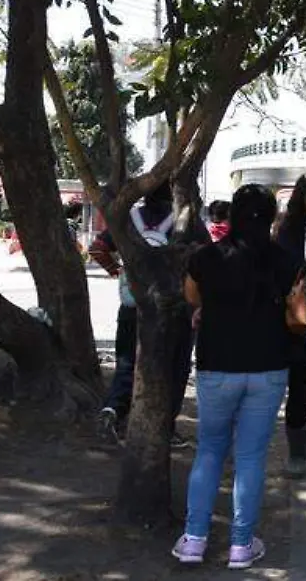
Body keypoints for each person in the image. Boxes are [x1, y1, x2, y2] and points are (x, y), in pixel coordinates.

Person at [171, 184, 298, 569]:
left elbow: (192, 297)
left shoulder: (206, 257)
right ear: (273, 216)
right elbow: (297, 309)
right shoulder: (285, 260)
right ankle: (242, 545)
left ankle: (194, 540)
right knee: (251, 456)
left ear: (233, 217)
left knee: (209, 450)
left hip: (217, 367)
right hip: (269, 368)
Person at [91, 183, 194, 448]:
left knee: (126, 364)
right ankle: (166, 428)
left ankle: (112, 412)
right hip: (171, 308)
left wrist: (118, 271)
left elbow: (96, 249)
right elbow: (200, 257)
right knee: (173, 368)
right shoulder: (183, 221)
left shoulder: (127, 220)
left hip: (131, 304)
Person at [273, 171, 306, 477]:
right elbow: (280, 273)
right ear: (301, 196)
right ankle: (297, 455)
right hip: (299, 326)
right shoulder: (288, 231)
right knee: (300, 391)